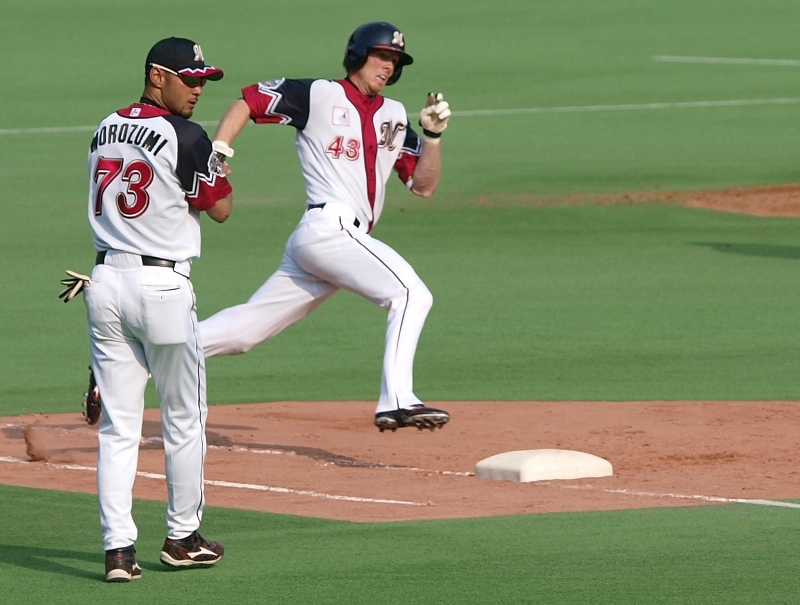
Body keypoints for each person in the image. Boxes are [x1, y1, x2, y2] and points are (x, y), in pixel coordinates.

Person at [198, 22, 452, 433]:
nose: (387, 66)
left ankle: (133, 361)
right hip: (328, 230)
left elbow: (423, 186)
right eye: (381, 55)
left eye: (394, 60)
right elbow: (249, 100)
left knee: (244, 333)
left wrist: (434, 137)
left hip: (334, 243)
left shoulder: (394, 117)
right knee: (411, 294)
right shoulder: (319, 94)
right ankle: (398, 401)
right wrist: (220, 148)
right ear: (357, 54)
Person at [76, 37, 233, 582]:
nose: (197, 90)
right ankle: (182, 538)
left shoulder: (102, 128)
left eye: (203, 81)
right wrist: (219, 156)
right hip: (162, 287)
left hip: (103, 283)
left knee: (120, 427)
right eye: (189, 79)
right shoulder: (185, 134)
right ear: (156, 76)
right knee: (184, 419)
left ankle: (118, 551)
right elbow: (221, 211)